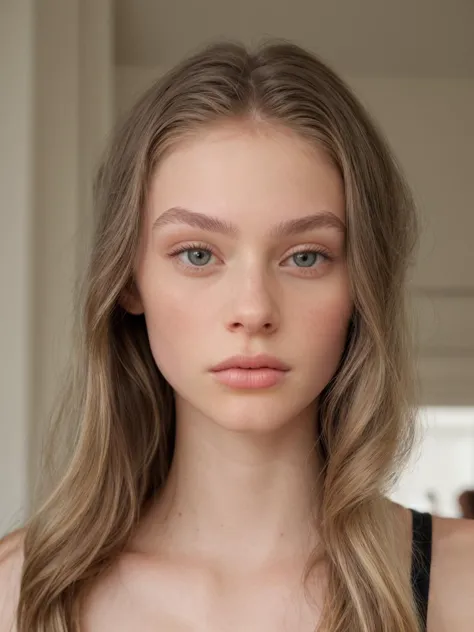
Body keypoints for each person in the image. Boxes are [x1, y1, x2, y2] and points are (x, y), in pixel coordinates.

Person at [1, 40, 473, 632]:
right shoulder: (20, 592)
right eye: (198, 253)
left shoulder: (464, 582)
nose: (253, 309)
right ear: (128, 279)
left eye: (305, 257)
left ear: (362, 284)